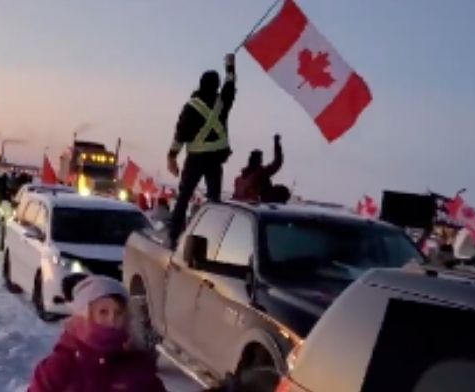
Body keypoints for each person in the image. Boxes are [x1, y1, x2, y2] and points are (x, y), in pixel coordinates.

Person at [29, 276, 167, 392]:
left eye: (118, 313)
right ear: (84, 315)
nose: (112, 319)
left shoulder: (136, 367)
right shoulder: (59, 367)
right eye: (103, 312)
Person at [167, 53, 237, 246]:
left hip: (195, 158)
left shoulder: (191, 106)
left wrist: (172, 157)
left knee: (184, 197)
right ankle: (212, 239)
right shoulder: (223, 103)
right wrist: (230, 66)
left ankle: (174, 236)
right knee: (214, 201)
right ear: (216, 86)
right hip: (215, 159)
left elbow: (180, 134)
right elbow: (230, 86)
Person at [233, 134, 284, 202]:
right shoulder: (260, 174)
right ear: (259, 161)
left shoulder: (239, 179)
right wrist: (277, 143)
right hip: (254, 207)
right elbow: (277, 162)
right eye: (260, 159)